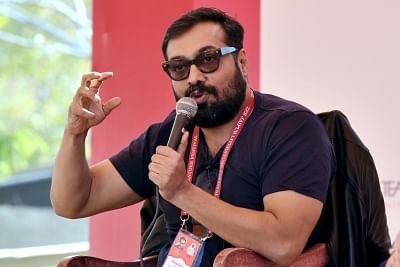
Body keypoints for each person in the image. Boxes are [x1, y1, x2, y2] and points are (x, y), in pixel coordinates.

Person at [51, 7, 335, 267]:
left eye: (208, 60)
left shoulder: (290, 129)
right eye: (179, 67)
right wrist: (75, 133)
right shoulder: (172, 131)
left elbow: (283, 243)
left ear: (242, 61)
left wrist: (182, 192)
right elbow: (74, 201)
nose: (194, 77)